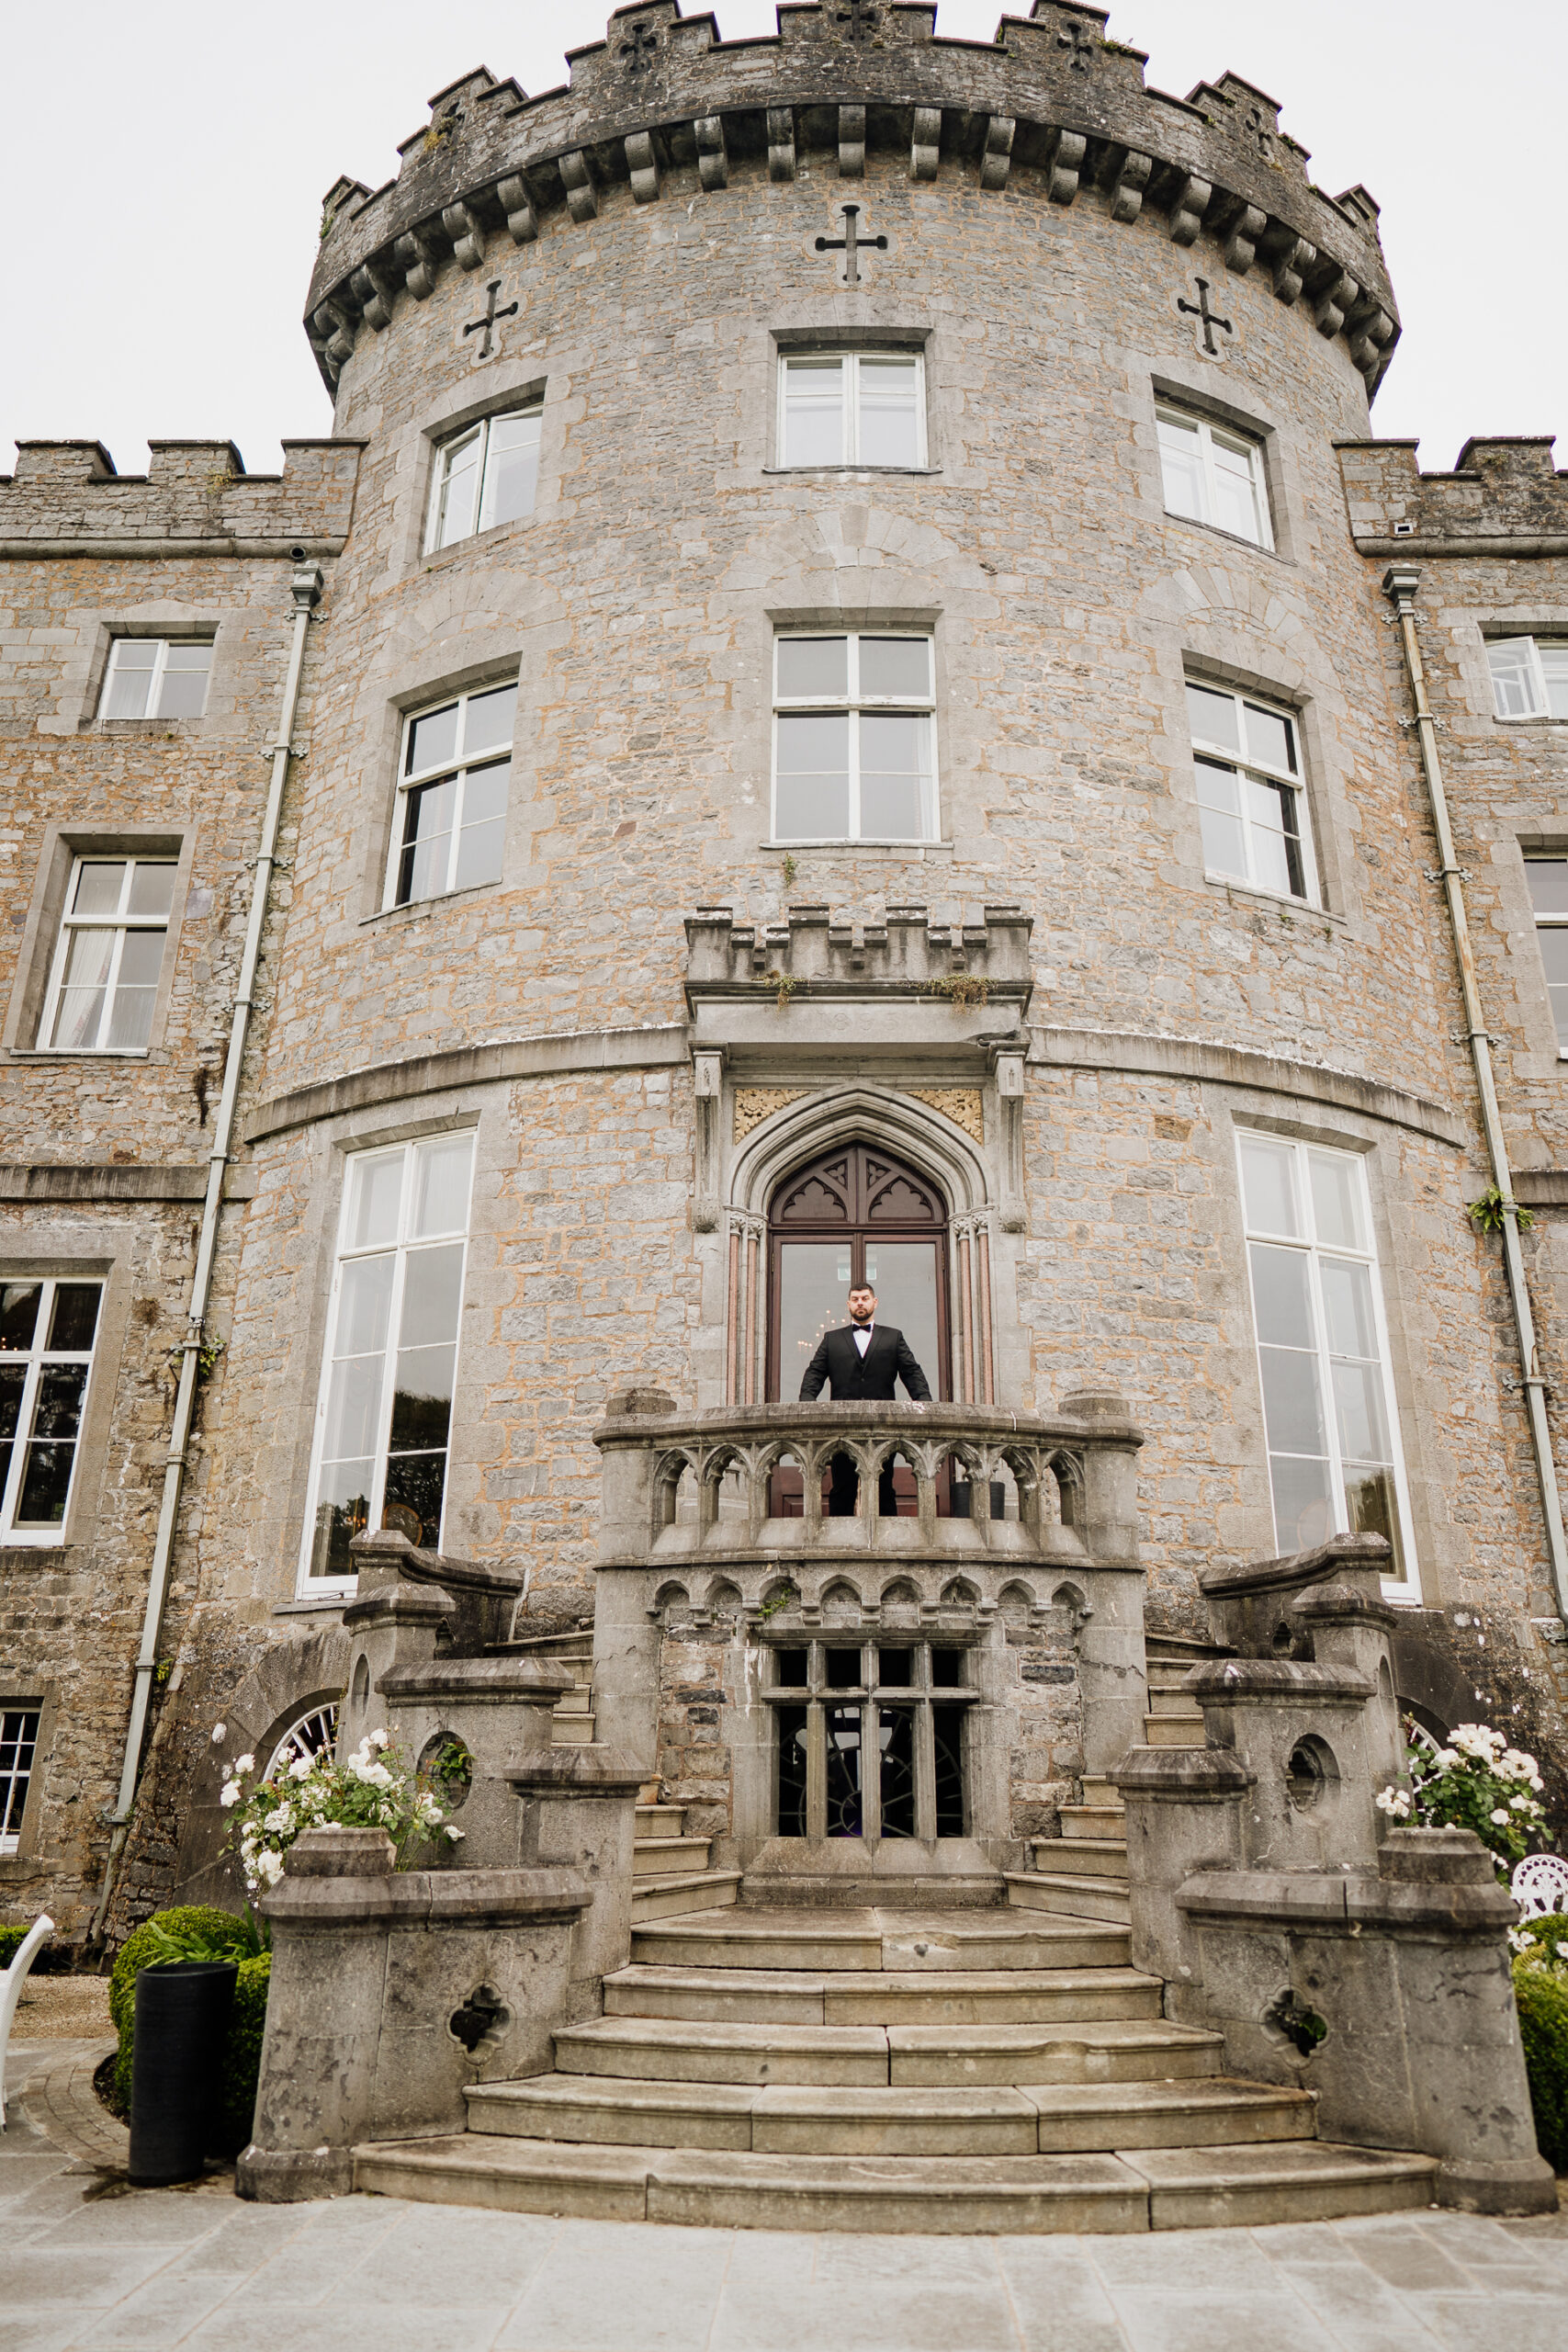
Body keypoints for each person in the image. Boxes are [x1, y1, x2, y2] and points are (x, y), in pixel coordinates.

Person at [797, 1283, 932, 1516]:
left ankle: (888, 1546)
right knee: (841, 1488)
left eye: (865, 1298)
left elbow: (912, 1373)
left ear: (874, 1302)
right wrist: (806, 1405)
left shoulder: (893, 1337)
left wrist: (926, 1406)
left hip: (883, 1427)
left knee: (884, 1488)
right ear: (849, 1304)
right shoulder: (832, 1340)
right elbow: (814, 1374)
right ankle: (839, 1544)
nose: (860, 1302)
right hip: (841, 1427)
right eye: (856, 1299)